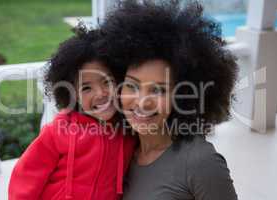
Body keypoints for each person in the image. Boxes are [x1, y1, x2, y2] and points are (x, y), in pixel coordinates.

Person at [100, 0, 238, 199]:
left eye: (158, 90)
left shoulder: (200, 162)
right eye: (132, 85)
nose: (142, 102)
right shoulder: (119, 151)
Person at [8, 24, 135, 200]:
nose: (100, 94)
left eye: (107, 82)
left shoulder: (128, 130)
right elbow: (26, 177)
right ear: (72, 94)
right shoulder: (59, 131)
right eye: (86, 88)